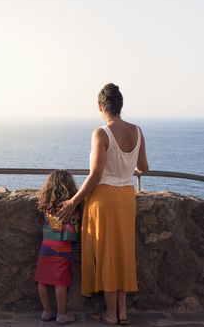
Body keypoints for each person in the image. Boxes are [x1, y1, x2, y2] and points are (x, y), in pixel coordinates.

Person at [58, 83, 149, 325]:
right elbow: (144, 168)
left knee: (108, 254)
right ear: (120, 106)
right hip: (126, 197)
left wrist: (74, 200)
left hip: (105, 200)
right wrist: (126, 164)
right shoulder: (137, 131)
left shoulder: (101, 133)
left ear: (101, 106)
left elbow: (96, 174)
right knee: (122, 252)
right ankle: (122, 312)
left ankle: (110, 314)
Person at [34, 169, 82, 324]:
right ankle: (61, 314)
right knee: (60, 282)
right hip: (63, 248)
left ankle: (47, 311)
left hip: (46, 246)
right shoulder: (72, 205)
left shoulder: (46, 203)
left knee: (42, 280)